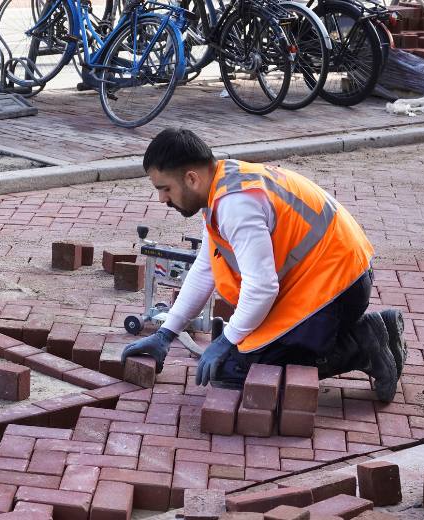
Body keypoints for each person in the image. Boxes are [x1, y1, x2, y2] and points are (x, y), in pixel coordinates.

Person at [120, 128, 406, 402]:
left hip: (336, 288)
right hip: (328, 279)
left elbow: (262, 288)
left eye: (165, 188)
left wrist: (225, 341)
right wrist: (165, 334)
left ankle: (362, 343)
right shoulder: (223, 186)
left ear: (192, 179)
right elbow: (205, 270)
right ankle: (375, 331)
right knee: (237, 359)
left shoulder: (235, 204)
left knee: (232, 372)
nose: (162, 199)